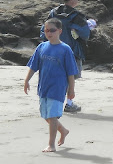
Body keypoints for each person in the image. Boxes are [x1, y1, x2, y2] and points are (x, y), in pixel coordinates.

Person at [25, 18, 79, 153]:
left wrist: (71, 90)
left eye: (52, 30)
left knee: (53, 115)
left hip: (58, 88)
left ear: (60, 31)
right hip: (43, 87)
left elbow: (71, 73)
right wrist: (26, 80)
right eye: (46, 30)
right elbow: (33, 66)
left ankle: (51, 144)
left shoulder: (65, 49)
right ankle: (63, 131)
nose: (49, 33)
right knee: (46, 115)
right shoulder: (41, 47)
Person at [40, 0, 96, 113]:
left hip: (53, 49)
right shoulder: (77, 16)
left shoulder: (53, 13)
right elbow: (85, 34)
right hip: (72, 51)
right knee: (70, 78)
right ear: (72, 0)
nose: (78, 0)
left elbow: (44, 30)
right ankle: (69, 103)